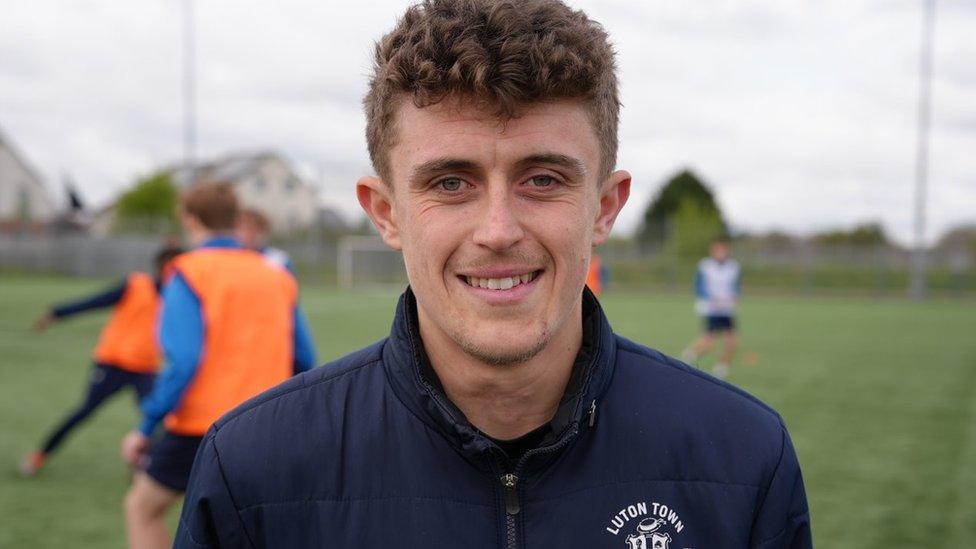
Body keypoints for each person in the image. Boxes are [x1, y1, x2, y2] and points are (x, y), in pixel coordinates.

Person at [176, 1, 810, 548]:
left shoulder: (743, 457)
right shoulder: (254, 469)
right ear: (386, 213)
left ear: (605, 207)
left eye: (543, 179)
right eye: (451, 183)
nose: (498, 230)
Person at [121, 181, 317, 549]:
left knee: (142, 508)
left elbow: (182, 361)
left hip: (203, 426)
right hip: (267, 423)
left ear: (191, 220)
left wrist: (145, 426)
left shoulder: (188, 271)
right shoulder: (275, 274)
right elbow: (305, 358)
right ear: (233, 219)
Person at [19, 246, 183, 477]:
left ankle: (144, 463)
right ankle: (39, 455)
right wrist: (56, 313)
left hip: (144, 369)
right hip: (112, 364)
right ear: (163, 267)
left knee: (159, 418)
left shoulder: (176, 298)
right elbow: (93, 302)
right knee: (84, 411)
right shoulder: (135, 285)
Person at [681, 236, 741, 379]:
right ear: (713, 251)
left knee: (731, 341)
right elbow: (698, 285)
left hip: (726, 309)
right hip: (712, 309)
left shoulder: (733, 267)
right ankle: (689, 355)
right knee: (709, 342)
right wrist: (709, 297)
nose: (721, 252)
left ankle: (721, 367)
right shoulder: (705, 266)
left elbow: (735, 286)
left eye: (723, 250)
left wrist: (735, 296)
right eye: (718, 250)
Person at [234, 207, 294, 272]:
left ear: (262, 231)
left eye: (253, 228)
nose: (249, 234)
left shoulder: (278, 259)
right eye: (243, 229)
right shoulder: (230, 258)